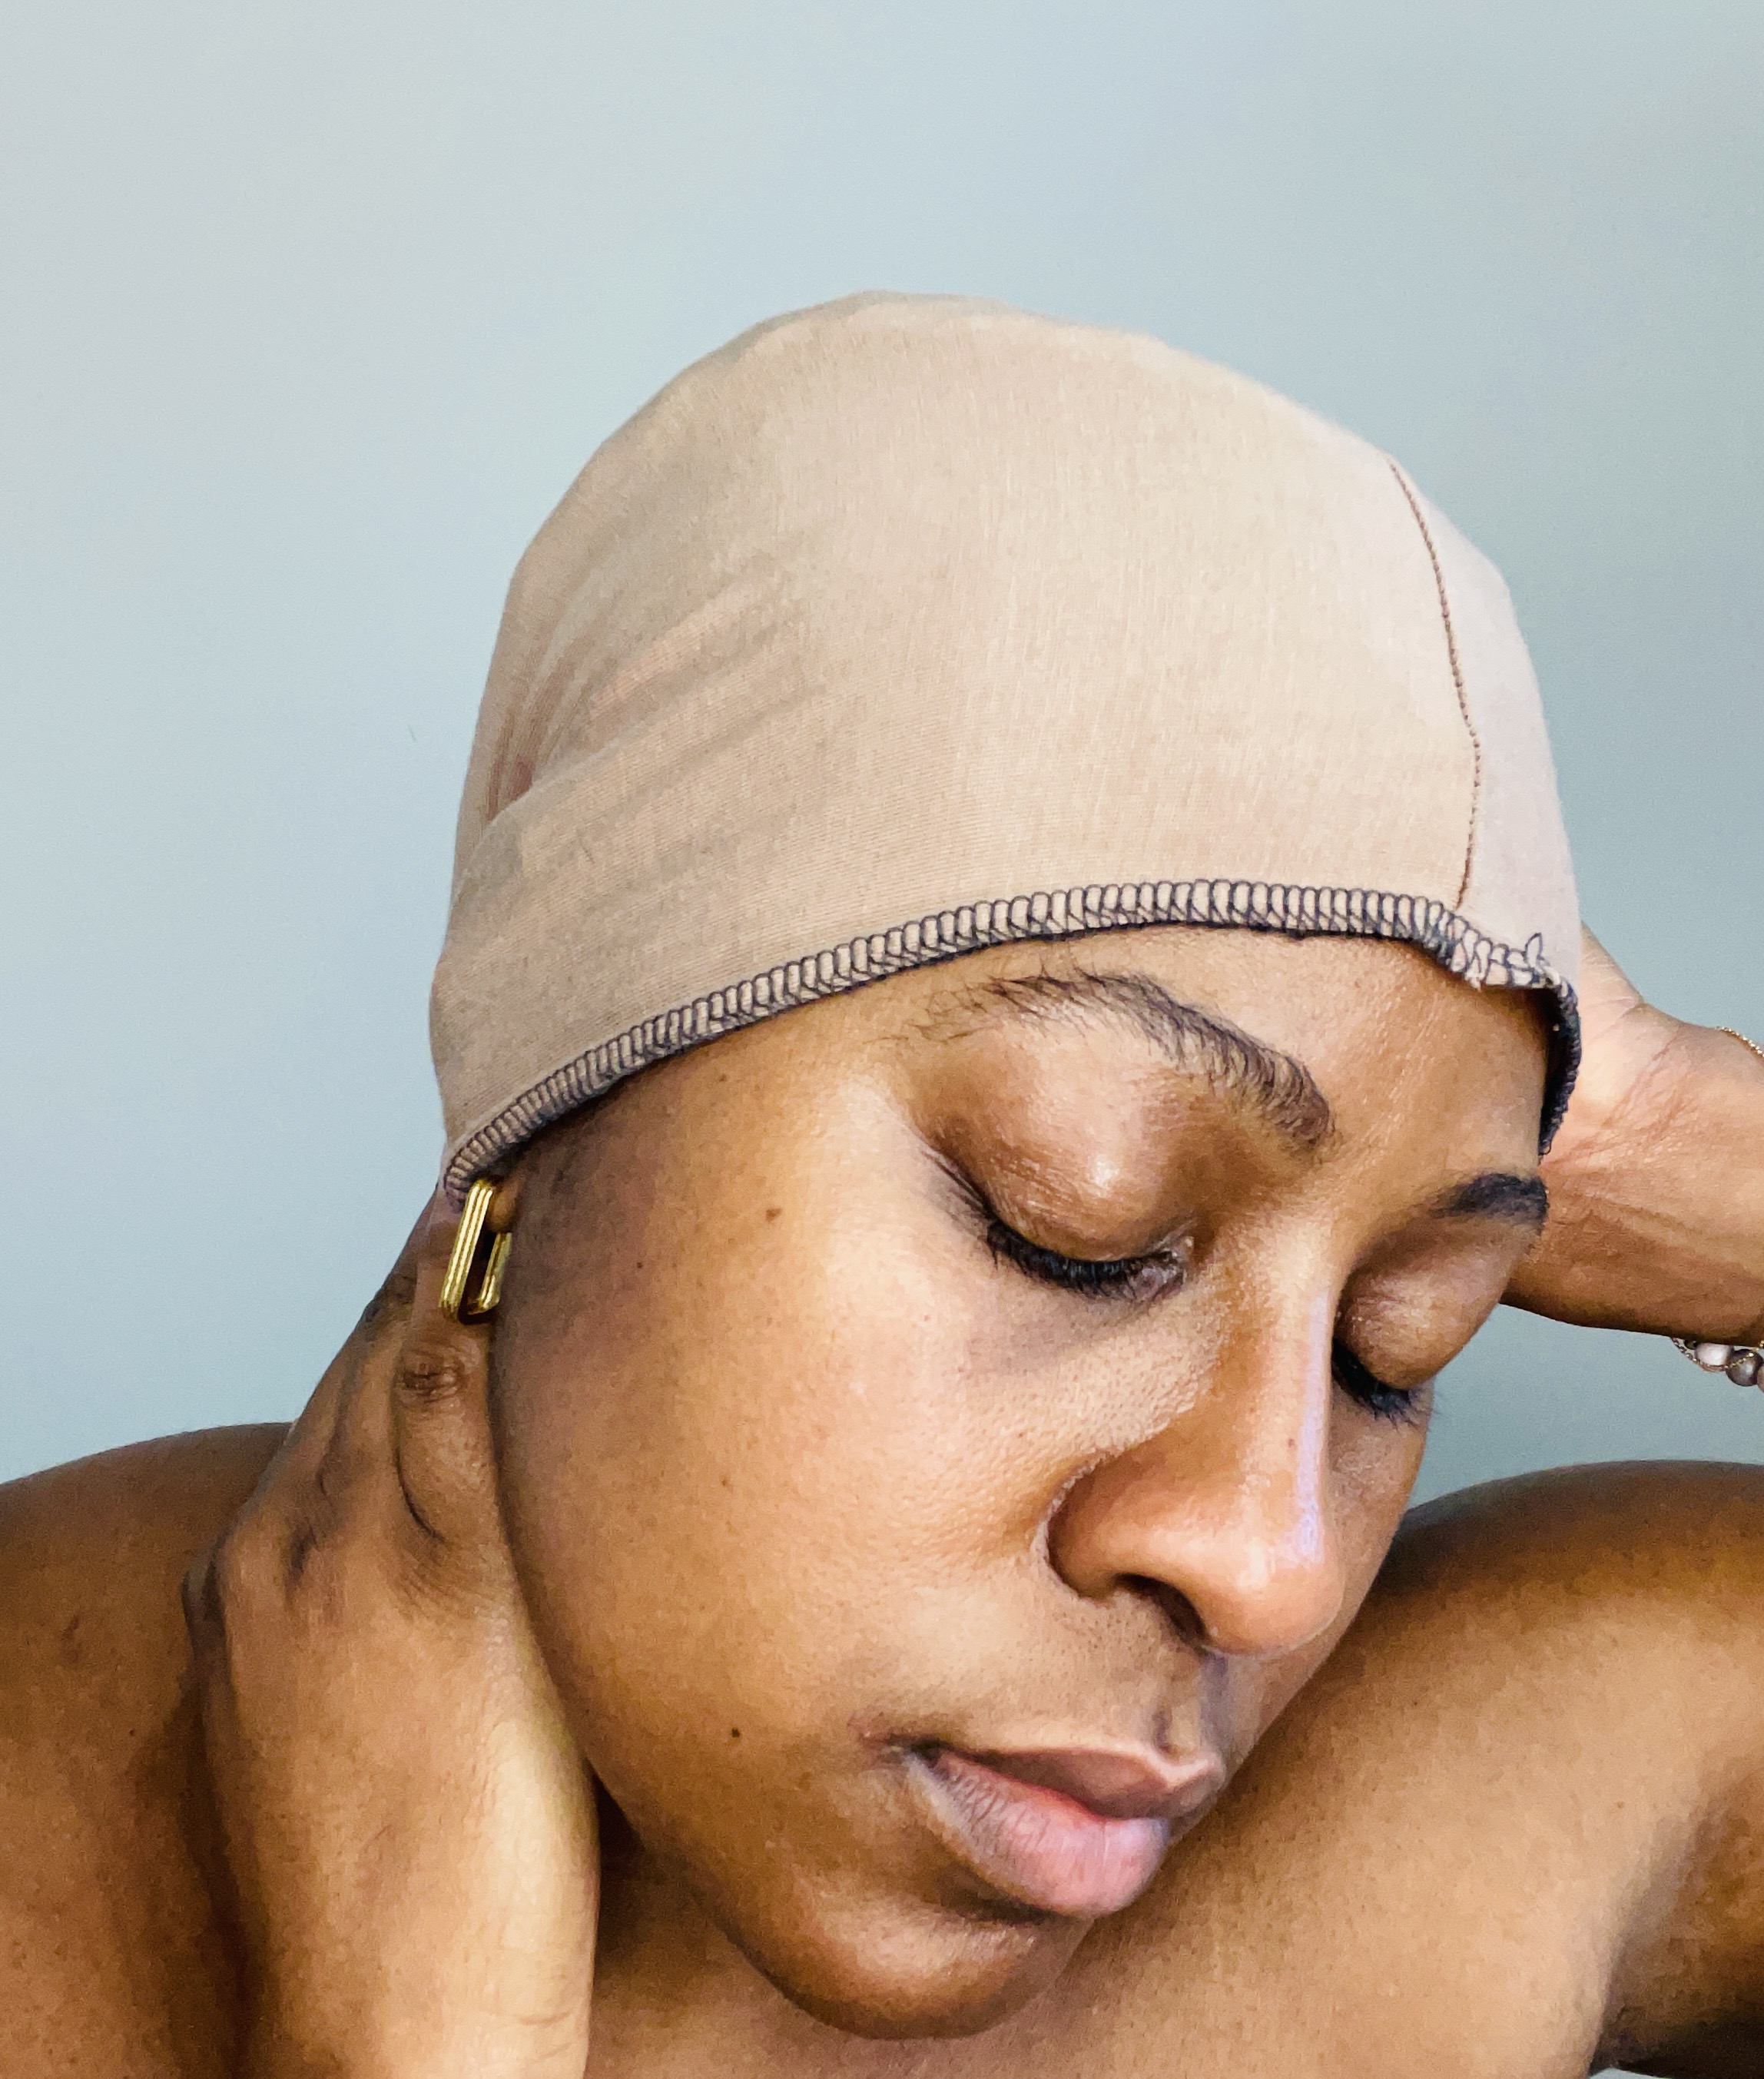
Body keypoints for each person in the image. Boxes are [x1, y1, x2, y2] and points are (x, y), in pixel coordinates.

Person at [3, 296, 1762, 2078]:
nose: (1268, 1560)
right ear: (545, 1120)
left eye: (1391, 1348)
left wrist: (1693, 1160)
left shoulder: (1529, 1768)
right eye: (1070, 1233)